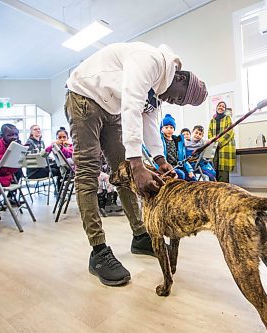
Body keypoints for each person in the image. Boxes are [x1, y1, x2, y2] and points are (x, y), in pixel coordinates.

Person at [64, 41, 207, 286]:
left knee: (124, 173)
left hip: (111, 108)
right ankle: (98, 252)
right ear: (180, 78)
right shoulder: (149, 60)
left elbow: (149, 120)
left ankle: (140, 235)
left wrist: (159, 159)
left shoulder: (159, 88)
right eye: (179, 98)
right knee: (88, 172)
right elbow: (131, 104)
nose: (174, 101)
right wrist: (137, 163)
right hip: (84, 96)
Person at [160, 114, 195, 181]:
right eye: (166, 127)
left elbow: (183, 159)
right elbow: (150, 150)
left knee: (193, 178)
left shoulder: (178, 141)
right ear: (162, 129)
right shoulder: (159, 140)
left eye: (171, 127)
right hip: (166, 168)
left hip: (178, 166)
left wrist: (190, 170)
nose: (169, 129)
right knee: (181, 174)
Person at [208, 101, 236, 183]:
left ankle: (223, 190)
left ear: (225, 109)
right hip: (214, 146)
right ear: (216, 107)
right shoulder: (212, 120)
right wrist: (213, 141)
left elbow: (230, 131)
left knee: (223, 169)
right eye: (219, 106)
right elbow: (209, 132)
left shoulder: (228, 118)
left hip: (225, 145)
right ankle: (213, 189)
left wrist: (219, 142)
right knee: (213, 166)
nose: (221, 107)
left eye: (223, 107)